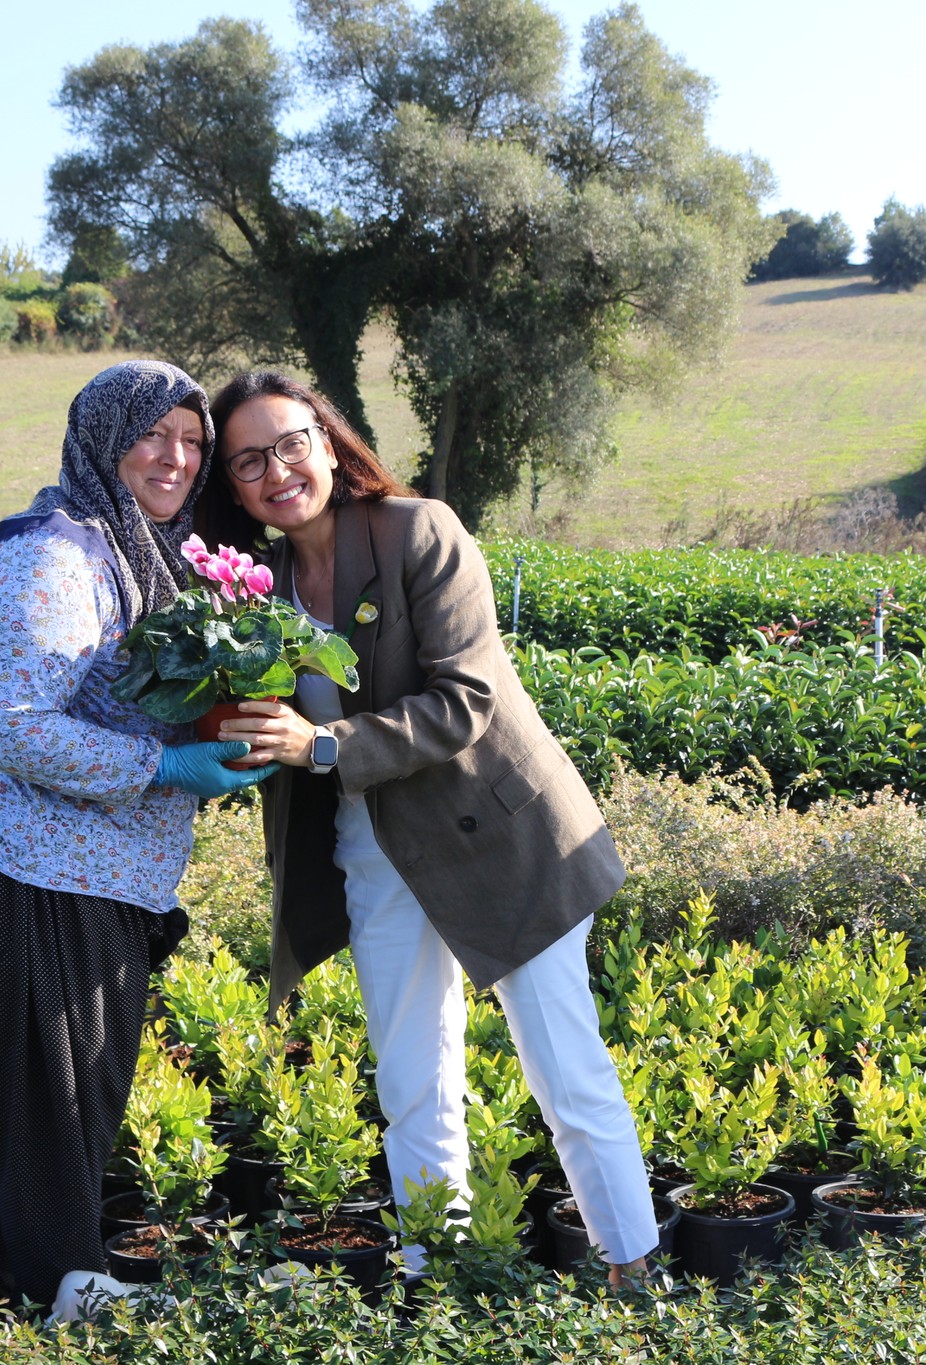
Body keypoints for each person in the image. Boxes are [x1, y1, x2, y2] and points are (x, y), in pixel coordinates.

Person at [195, 371, 657, 1284]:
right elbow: (263, 730)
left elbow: (467, 699)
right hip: (376, 846)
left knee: (565, 1070)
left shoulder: (420, 530)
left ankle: (632, 1268)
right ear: (235, 486)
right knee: (411, 1083)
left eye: (290, 443)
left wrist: (321, 745)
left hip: (502, 837)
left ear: (328, 441)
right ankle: (433, 1277)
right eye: (249, 461)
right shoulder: (256, 585)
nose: (276, 470)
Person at [0, 361, 271, 1310]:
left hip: (68, 870)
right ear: (102, 439)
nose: (178, 457)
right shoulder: (53, 556)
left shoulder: (133, 548)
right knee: (48, 1098)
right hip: (13, 870)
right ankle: (73, 1288)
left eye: (193, 440)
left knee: (26, 1102)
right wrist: (165, 768)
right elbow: (16, 721)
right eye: (155, 434)